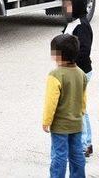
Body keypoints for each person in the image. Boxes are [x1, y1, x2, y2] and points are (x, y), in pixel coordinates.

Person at [43, 33, 87, 177]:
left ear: (59, 55)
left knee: (59, 156)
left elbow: (51, 102)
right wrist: (80, 113)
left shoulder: (55, 75)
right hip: (76, 123)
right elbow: (83, 98)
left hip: (60, 125)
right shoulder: (81, 74)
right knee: (77, 155)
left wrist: (46, 121)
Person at [62, 0, 94, 157]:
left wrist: (70, 65)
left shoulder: (82, 26)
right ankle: (82, 142)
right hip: (71, 72)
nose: (65, 7)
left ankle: (85, 144)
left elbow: (84, 51)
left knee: (78, 108)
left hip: (80, 72)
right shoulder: (71, 23)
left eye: (68, 4)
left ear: (77, 5)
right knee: (77, 107)